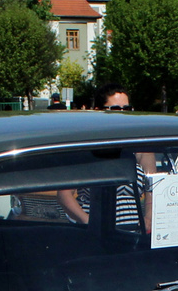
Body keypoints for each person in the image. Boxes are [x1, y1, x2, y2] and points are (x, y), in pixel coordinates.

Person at [58, 84, 151, 228]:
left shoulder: (139, 146)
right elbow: (64, 194)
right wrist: (87, 220)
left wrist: (148, 218)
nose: (122, 113)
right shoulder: (85, 146)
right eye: (115, 109)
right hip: (96, 233)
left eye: (126, 109)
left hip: (133, 233)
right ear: (99, 110)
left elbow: (152, 187)